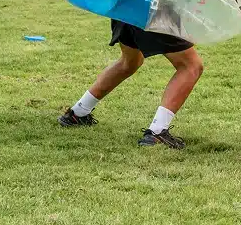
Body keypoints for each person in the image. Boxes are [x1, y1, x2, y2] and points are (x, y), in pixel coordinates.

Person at [58, 21, 203, 149]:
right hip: (151, 8)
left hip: (125, 6)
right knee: (191, 66)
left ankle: (78, 113)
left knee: (130, 62)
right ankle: (157, 132)